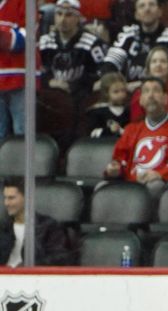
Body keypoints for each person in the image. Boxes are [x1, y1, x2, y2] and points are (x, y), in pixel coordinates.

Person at [104, 77, 168, 198]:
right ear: (140, 100)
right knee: (102, 187)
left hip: (158, 184)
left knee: (154, 187)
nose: (151, 95)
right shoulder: (131, 128)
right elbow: (120, 160)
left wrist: (159, 174)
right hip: (131, 183)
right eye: (146, 91)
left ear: (165, 98)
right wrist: (114, 169)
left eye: (156, 90)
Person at [38, 0, 108, 105]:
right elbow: (34, 70)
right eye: (59, 14)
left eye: (68, 15)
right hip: (51, 97)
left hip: (82, 98)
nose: (62, 20)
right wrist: (49, 81)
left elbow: (104, 71)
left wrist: (76, 85)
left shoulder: (92, 43)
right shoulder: (44, 42)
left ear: (78, 18)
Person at [101, 0, 168, 87]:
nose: (147, 9)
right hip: (128, 94)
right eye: (142, 6)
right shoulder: (127, 35)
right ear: (136, 15)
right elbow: (110, 64)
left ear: (160, 12)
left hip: (161, 91)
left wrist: (140, 85)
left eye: (152, 4)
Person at [0, 176, 70, 267]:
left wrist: (25, 267)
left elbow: (58, 258)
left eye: (11, 198)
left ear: (27, 198)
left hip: (32, 277)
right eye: (5, 198)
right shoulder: (2, 227)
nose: (6, 203)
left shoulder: (48, 226)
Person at [128, 45, 168, 122]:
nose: (158, 65)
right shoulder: (139, 94)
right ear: (148, 67)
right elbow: (136, 123)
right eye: (154, 61)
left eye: (163, 61)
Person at [0, 0, 27, 141]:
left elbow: (24, 40)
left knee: (21, 134)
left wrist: (2, 35)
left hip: (18, 79)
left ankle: (22, 164)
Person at [85, 71, 130, 137]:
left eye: (123, 90)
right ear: (106, 93)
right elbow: (92, 133)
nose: (121, 95)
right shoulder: (97, 111)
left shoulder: (127, 111)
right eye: (116, 92)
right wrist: (109, 130)